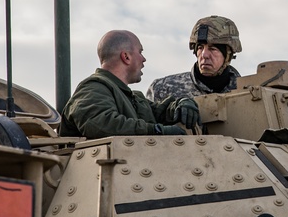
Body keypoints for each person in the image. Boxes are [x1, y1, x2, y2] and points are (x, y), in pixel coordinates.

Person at [60, 30, 199, 138]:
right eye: (140, 52)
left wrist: (181, 104)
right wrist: (156, 131)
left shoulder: (132, 97)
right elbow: (101, 124)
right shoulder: (93, 88)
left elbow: (160, 112)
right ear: (126, 57)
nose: (143, 59)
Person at [147, 15, 242, 101]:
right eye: (200, 48)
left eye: (213, 49)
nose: (204, 55)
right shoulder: (163, 89)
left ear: (228, 55)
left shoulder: (248, 92)